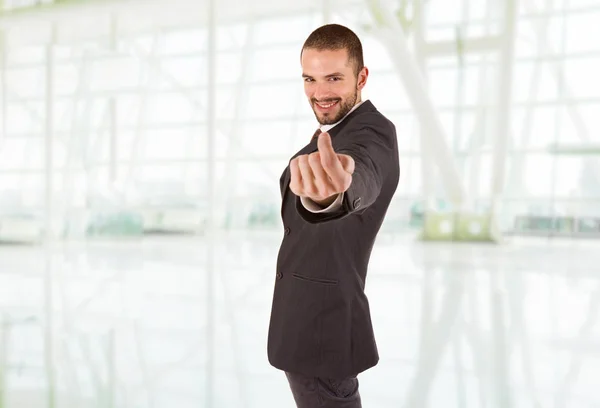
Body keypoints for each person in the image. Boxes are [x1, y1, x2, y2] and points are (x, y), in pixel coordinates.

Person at [267, 23, 400, 408]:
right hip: (309, 330)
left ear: (362, 77)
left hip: (324, 335)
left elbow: (363, 176)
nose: (319, 92)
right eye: (310, 79)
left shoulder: (372, 134)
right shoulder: (331, 134)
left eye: (334, 78)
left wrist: (331, 195)